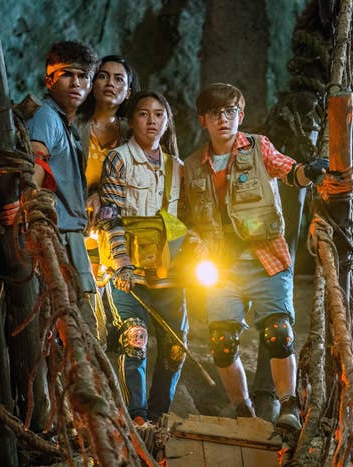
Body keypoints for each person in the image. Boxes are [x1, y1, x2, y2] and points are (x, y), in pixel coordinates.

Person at [181, 83, 328, 432]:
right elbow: (185, 217)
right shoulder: (191, 166)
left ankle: (289, 405)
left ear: (240, 115)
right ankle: (242, 411)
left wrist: (310, 171)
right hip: (220, 266)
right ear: (203, 119)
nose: (224, 119)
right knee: (222, 343)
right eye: (216, 113)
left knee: (278, 333)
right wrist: (193, 241)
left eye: (231, 112)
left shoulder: (258, 147)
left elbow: (289, 171)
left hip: (266, 258)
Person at [98, 90, 187, 425]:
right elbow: (109, 214)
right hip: (127, 272)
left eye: (159, 114)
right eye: (144, 114)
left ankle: (159, 414)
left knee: (176, 348)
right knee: (134, 338)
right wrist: (121, 262)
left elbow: (181, 220)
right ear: (131, 120)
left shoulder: (176, 167)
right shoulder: (119, 159)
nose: (152, 121)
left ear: (167, 121)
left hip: (168, 273)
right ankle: (134, 417)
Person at [0, 41, 100, 338]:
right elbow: (36, 161)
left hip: (68, 236)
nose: (76, 82)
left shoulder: (66, 123)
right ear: (49, 80)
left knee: (73, 328)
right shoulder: (46, 116)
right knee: (74, 330)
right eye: (67, 74)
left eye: (83, 76)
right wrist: (25, 201)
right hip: (57, 239)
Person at [77, 55, 139, 345]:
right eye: (103, 76)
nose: (110, 84)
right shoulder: (74, 125)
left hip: (117, 229)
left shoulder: (133, 133)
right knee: (85, 300)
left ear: (128, 91)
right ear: (92, 82)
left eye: (119, 79)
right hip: (78, 226)